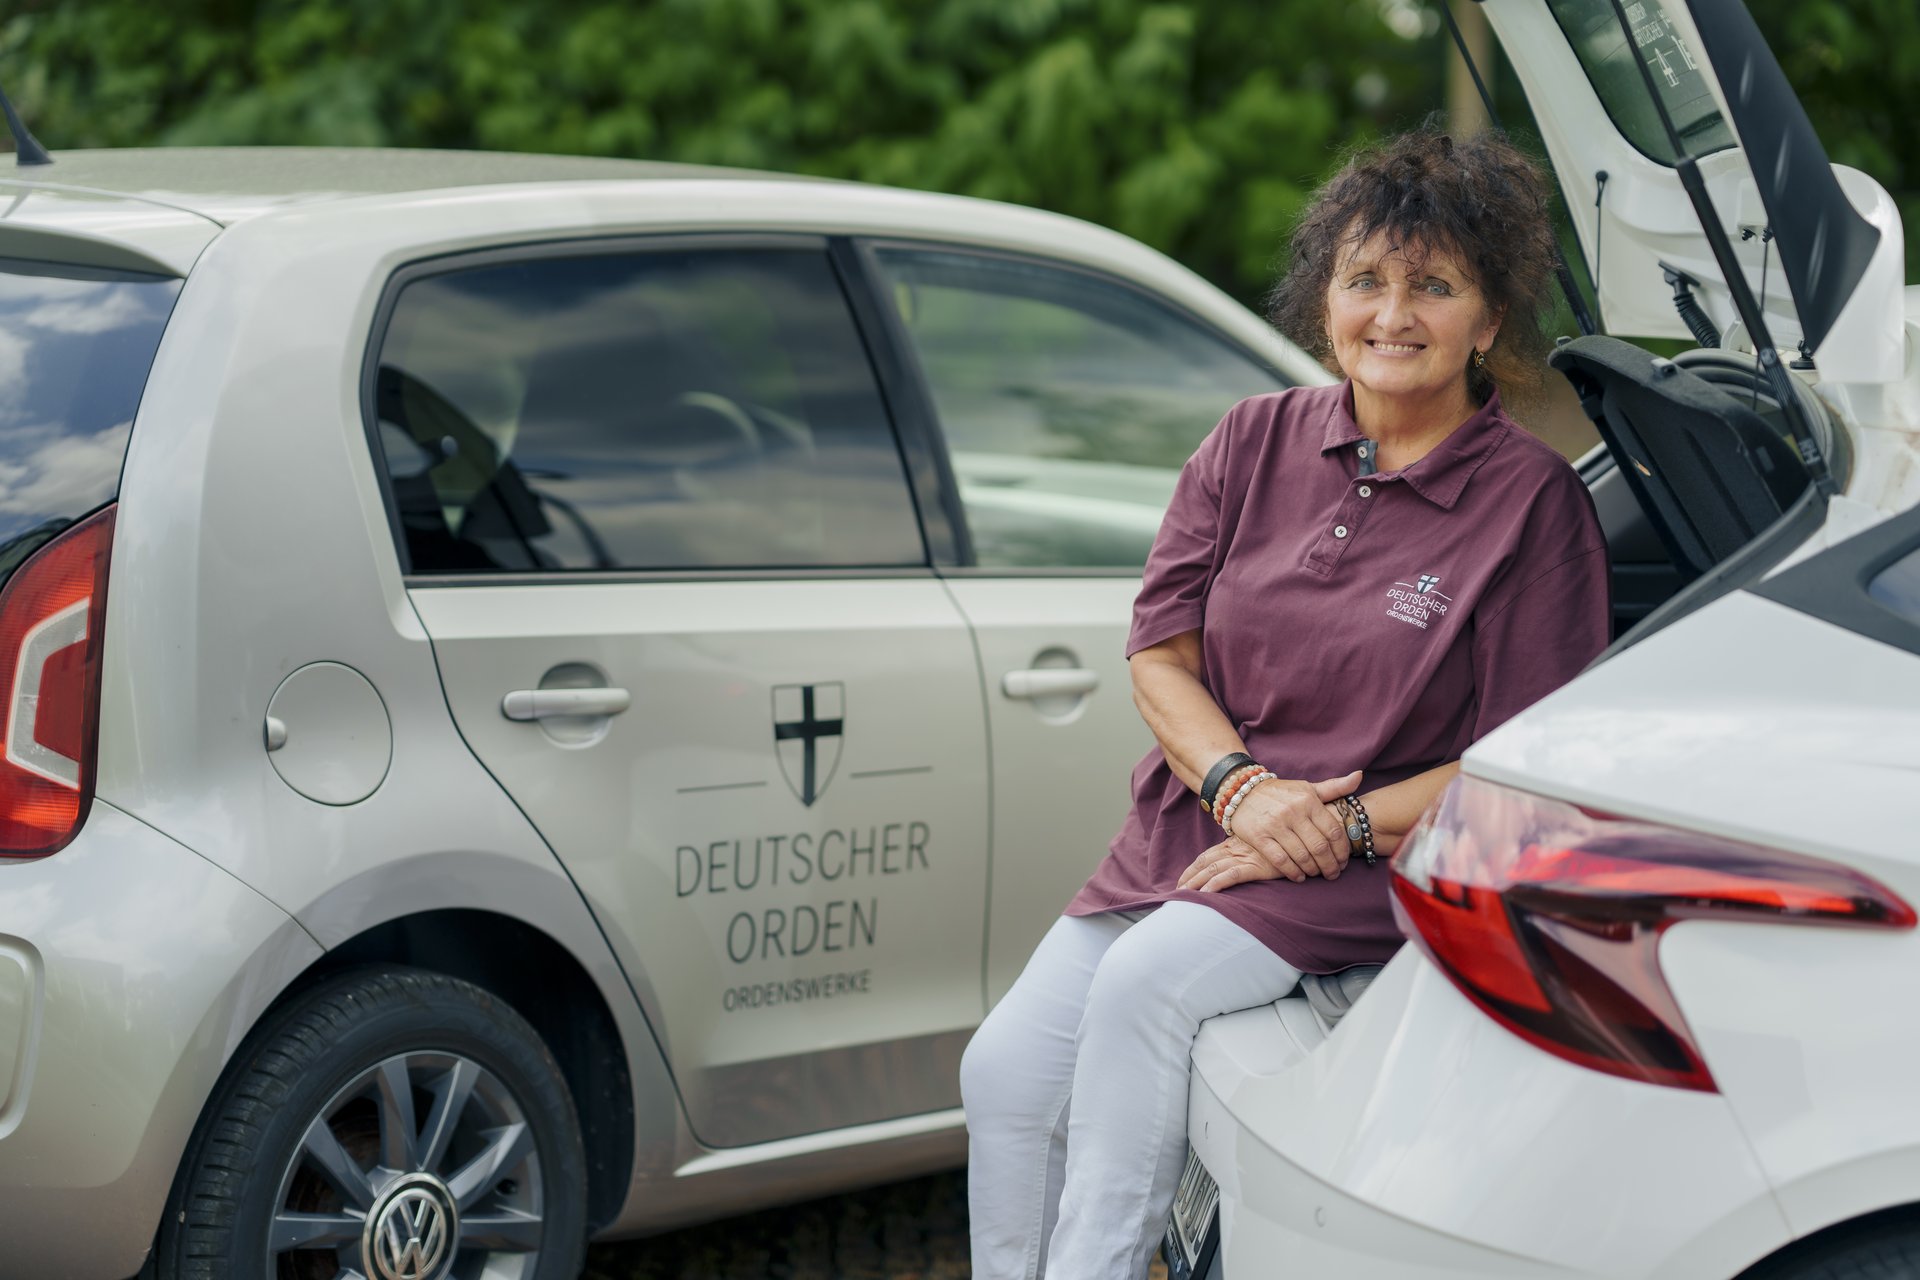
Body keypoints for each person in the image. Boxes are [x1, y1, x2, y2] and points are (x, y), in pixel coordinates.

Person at [960, 127, 1613, 1280]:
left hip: (1371, 864)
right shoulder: (1249, 440)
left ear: (1490, 321)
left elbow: (1516, 765)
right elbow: (1161, 654)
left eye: (1434, 285)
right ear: (1326, 305)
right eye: (1365, 279)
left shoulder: (1532, 504)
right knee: (1004, 1073)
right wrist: (1245, 789)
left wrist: (1338, 826)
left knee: (1144, 990)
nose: (1393, 313)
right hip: (1201, 825)